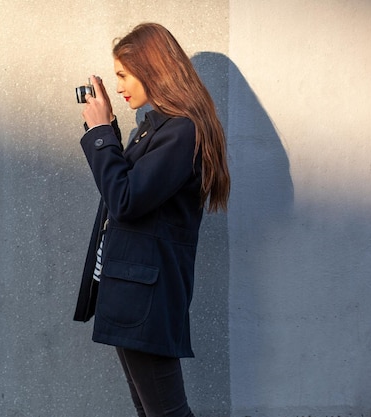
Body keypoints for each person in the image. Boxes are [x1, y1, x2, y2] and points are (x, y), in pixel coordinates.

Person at [73, 23, 230, 417]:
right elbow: (125, 188)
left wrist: (97, 134)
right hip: (132, 291)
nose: (121, 85)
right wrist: (107, 127)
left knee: (166, 412)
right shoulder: (154, 129)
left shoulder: (181, 132)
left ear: (152, 68)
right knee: (150, 409)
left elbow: (125, 199)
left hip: (146, 296)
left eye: (124, 75)